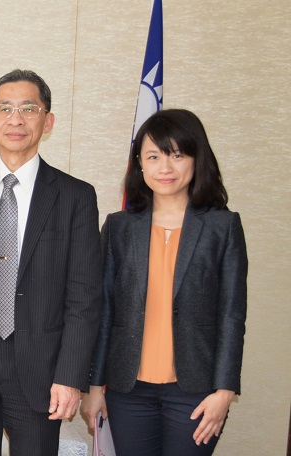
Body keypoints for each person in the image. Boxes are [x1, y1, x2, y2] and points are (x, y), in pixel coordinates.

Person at [0, 69, 102, 455]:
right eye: (5, 108)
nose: (16, 119)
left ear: (47, 121)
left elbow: (84, 297)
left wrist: (70, 377)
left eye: (29, 108)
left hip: (40, 363)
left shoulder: (75, 196)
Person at [80, 109, 247, 455]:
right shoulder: (119, 227)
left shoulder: (222, 227)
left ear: (196, 158)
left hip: (196, 391)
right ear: (140, 164)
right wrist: (94, 387)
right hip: (128, 391)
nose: (165, 168)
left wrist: (224, 391)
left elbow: (232, 315)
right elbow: (104, 310)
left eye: (177, 155)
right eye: (153, 156)